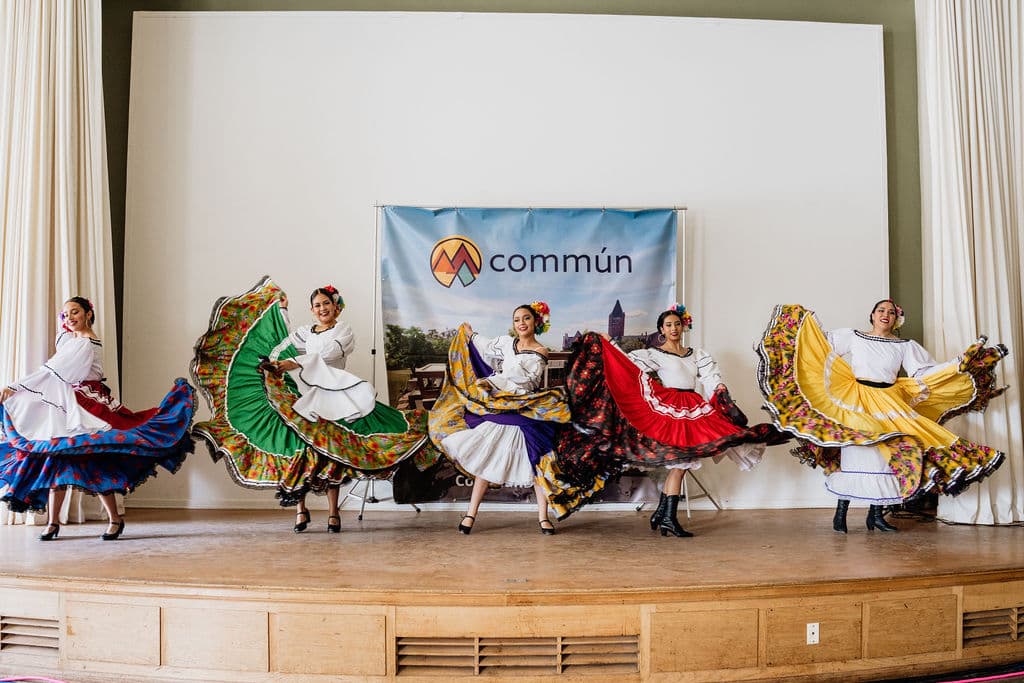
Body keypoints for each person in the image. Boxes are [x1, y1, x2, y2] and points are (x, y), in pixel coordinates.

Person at [191, 277, 439, 532]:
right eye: (317, 305)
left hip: (336, 395)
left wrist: (295, 363)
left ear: (336, 306)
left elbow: (330, 352)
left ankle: (333, 513)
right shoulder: (304, 333)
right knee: (299, 449)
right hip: (305, 396)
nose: (322, 308)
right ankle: (301, 510)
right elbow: (279, 346)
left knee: (332, 451)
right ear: (312, 310)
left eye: (326, 303)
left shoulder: (343, 330)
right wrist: (281, 312)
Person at [756, 300, 1008, 532]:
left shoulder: (905, 346)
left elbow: (926, 373)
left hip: (888, 401)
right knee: (856, 450)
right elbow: (818, 347)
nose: (885, 315)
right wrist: (801, 326)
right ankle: (840, 514)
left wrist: (957, 363)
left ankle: (875, 516)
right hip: (856, 400)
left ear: (897, 319)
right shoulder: (852, 337)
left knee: (883, 455)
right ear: (872, 315)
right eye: (881, 311)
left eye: (891, 312)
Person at [537, 304, 784, 537]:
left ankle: (662, 514)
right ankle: (667, 517)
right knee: (681, 464)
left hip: (694, 409)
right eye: (668, 325)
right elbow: (627, 364)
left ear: (683, 326)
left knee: (685, 463)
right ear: (662, 330)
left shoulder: (696, 354)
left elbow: (710, 377)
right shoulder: (655, 354)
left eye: (677, 323)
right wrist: (609, 344)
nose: (673, 328)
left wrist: (721, 394)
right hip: (670, 409)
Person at [0, 297, 195, 540]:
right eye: (65, 315)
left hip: (88, 406)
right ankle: (52, 522)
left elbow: (52, 371)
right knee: (55, 460)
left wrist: (15, 387)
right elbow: (61, 352)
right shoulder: (75, 341)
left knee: (93, 462)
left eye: (75, 312)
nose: (69, 318)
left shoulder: (83, 344)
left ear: (88, 314)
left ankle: (114, 519)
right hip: (74, 403)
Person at [428, 302, 571, 535]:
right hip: (500, 407)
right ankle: (470, 514)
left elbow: (523, 379)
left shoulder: (540, 351)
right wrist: (470, 334)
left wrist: (492, 382)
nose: (521, 323)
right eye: (516, 319)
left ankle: (543, 517)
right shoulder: (506, 343)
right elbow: (484, 346)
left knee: (537, 462)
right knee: (487, 459)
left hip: (526, 408)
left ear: (536, 322)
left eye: (526, 318)